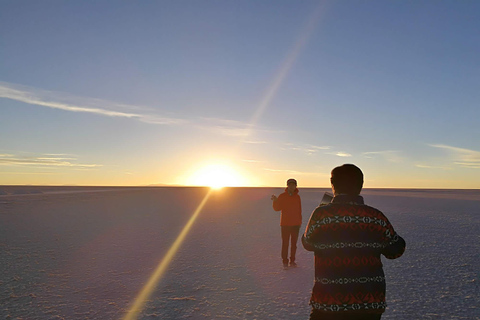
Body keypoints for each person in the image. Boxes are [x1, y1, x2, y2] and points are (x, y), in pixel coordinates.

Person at [302, 164, 406, 320]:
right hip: (368, 303)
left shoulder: (322, 214)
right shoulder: (375, 216)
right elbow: (396, 250)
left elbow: (308, 243)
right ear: (361, 185)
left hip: (329, 301)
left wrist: (323, 209)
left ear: (333, 184)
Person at [271, 178, 302, 269]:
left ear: (296, 186)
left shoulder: (297, 197)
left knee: (294, 244)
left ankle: (292, 261)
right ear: (287, 186)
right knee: (285, 243)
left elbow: (299, 210)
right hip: (285, 224)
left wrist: (299, 221)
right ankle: (285, 261)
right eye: (290, 185)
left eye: (293, 185)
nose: (292, 186)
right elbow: (277, 208)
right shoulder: (282, 196)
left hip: (295, 224)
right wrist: (275, 201)